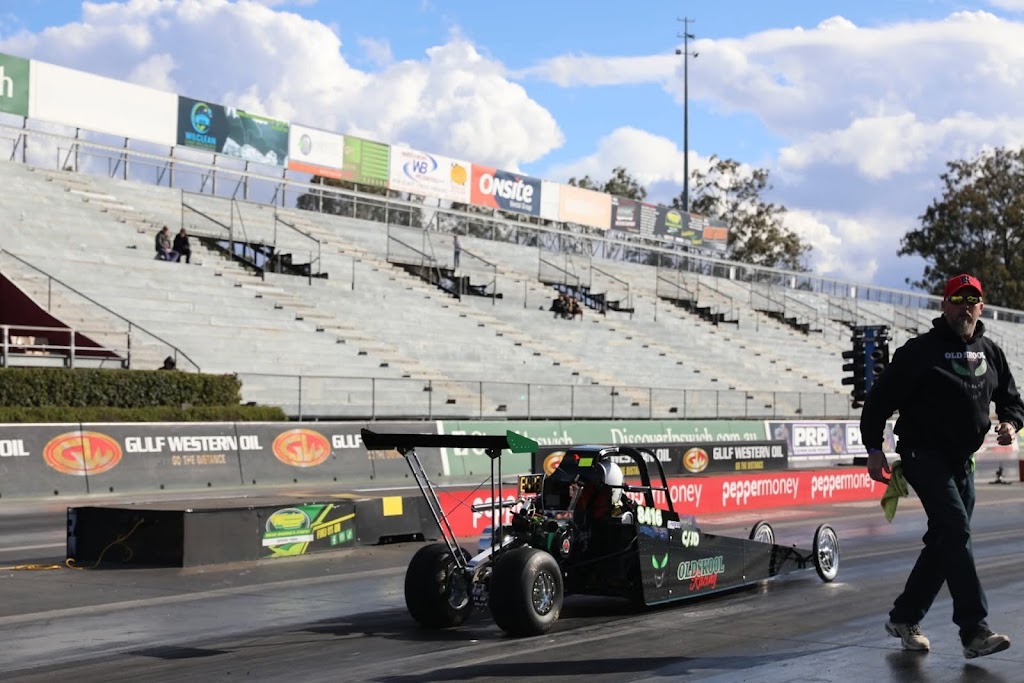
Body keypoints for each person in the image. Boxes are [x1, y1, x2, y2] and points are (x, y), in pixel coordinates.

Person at [861, 273, 1023, 659]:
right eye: (957, 299)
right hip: (923, 455)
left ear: (981, 307)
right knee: (955, 530)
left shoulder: (991, 352)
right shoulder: (919, 351)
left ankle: (904, 618)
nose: (965, 307)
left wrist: (1010, 423)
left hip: (962, 460)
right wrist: (873, 448)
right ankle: (974, 630)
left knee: (945, 540)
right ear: (944, 305)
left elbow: (1013, 402)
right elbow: (878, 402)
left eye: (972, 300)